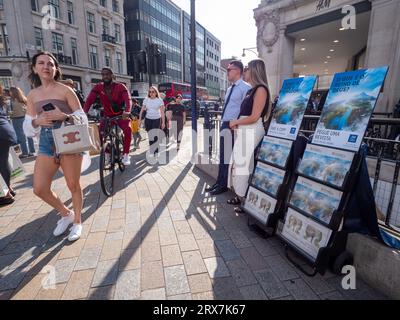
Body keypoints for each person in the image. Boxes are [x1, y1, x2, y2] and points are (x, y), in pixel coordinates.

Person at [23, 51, 88, 241]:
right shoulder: (33, 95)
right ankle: (65, 213)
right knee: (39, 188)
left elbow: (83, 118)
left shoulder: (66, 90)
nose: (46, 67)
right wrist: (37, 121)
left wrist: (65, 116)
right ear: (34, 68)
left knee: (73, 185)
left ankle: (77, 222)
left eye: (50, 64)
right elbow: (28, 127)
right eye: (41, 63)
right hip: (46, 141)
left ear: (55, 69)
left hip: (68, 138)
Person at [227, 59, 271, 212]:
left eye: (247, 69)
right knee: (242, 164)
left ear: (254, 70)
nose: (245, 71)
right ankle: (243, 198)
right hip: (246, 130)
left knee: (242, 165)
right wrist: (238, 123)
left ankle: (244, 201)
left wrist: (236, 121)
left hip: (252, 129)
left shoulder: (260, 89)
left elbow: (254, 116)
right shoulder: (253, 90)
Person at [206, 60, 252, 195]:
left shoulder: (246, 88)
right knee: (223, 156)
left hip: (234, 126)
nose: (227, 72)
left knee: (228, 157)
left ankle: (223, 185)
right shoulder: (230, 88)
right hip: (225, 124)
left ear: (238, 71)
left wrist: (236, 124)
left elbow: (245, 110)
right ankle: (219, 182)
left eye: (229, 70)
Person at [84, 68, 132, 165]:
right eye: (103, 75)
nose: (105, 76)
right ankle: (107, 153)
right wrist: (84, 112)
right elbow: (90, 99)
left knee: (128, 130)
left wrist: (127, 111)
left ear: (111, 75)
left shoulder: (120, 86)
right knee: (100, 134)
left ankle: (126, 154)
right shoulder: (98, 87)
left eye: (107, 74)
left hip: (120, 115)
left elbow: (128, 99)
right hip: (107, 116)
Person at [0, 85, 18, 206]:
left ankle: (5, 194)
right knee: (3, 161)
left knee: (2, 162)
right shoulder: (1, 98)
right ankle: (9, 189)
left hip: (1, 133)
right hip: (6, 131)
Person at [9, 87, 36, 158]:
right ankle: (32, 152)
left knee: (21, 137)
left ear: (13, 92)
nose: (9, 92)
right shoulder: (24, 99)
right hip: (25, 118)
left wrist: (10, 114)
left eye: (10, 91)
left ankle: (25, 153)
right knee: (28, 135)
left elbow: (11, 112)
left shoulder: (12, 101)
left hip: (16, 119)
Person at [139, 86, 165, 158]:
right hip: (148, 119)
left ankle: (156, 151)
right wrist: (140, 120)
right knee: (150, 135)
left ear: (156, 92)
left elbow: (162, 112)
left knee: (154, 135)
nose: (151, 93)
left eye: (153, 92)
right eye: (150, 92)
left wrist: (163, 122)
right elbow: (142, 110)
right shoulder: (146, 100)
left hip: (156, 119)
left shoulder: (159, 100)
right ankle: (152, 150)